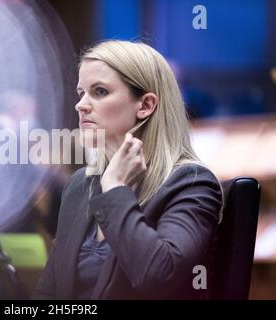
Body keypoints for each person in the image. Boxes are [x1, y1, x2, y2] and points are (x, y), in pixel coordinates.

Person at [33, 40, 224, 300]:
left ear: (145, 105)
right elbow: (48, 294)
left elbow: (159, 276)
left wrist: (115, 189)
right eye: (81, 93)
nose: (81, 105)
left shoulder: (192, 183)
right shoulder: (81, 185)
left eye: (99, 92)